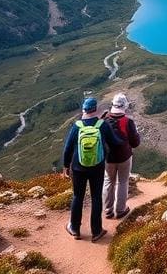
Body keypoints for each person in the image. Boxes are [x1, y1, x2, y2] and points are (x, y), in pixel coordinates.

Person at [61, 96, 124, 242]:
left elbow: (68, 149)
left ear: (84, 110)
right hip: (97, 166)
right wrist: (124, 140)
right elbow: (115, 142)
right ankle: (96, 231)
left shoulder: (77, 126)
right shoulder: (102, 125)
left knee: (78, 196)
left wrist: (65, 166)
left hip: (78, 167)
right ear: (95, 109)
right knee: (96, 197)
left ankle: (75, 229)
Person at [102, 92, 141, 219]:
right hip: (124, 156)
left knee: (108, 181)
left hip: (108, 157)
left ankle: (107, 210)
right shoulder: (128, 122)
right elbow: (135, 143)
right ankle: (120, 209)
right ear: (125, 106)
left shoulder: (104, 121)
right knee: (123, 182)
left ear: (113, 105)